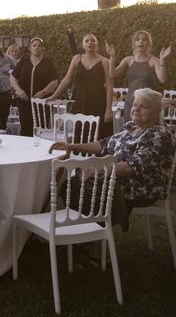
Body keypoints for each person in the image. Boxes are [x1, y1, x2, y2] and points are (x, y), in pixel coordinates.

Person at [49, 88, 175, 265]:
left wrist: (100, 169)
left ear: (156, 113)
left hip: (141, 186)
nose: (136, 109)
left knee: (95, 190)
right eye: (135, 105)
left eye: (143, 107)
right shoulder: (130, 127)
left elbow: (134, 167)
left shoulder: (159, 135)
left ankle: (97, 254)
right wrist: (72, 146)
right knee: (72, 183)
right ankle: (86, 237)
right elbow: (103, 145)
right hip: (115, 179)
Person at [49, 33, 113, 137]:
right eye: (86, 41)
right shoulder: (76, 59)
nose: (90, 43)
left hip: (99, 104)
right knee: (80, 135)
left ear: (96, 44)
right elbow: (67, 79)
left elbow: (110, 86)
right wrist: (54, 96)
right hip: (80, 103)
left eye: (93, 40)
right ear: (83, 45)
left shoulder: (105, 62)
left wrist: (108, 110)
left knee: (98, 135)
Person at [106, 30, 171, 121]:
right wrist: (112, 57)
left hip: (147, 103)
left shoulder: (153, 60)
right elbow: (112, 74)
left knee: (146, 131)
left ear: (148, 43)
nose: (141, 41)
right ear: (134, 43)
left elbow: (163, 79)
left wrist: (162, 60)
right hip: (130, 102)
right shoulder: (128, 60)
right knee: (131, 131)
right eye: (137, 39)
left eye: (144, 39)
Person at [10, 37, 59, 136]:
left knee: (41, 130)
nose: (37, 47)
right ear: (30, 48)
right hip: (25, 102)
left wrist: (43, 92)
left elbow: (55, 81)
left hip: (42, 103)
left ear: (43, 48)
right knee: (26, 130)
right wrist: (19, 91)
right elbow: (13, 78)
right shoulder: (23, 62)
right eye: (34, 45)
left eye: (39, 46)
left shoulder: (48, 63)